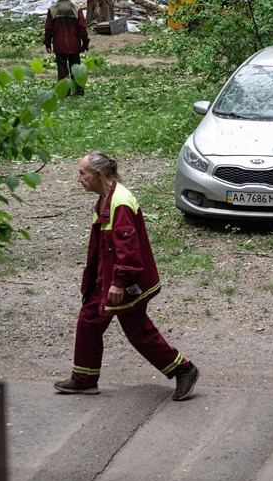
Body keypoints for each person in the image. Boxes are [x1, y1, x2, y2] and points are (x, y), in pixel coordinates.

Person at [54, 151, 199, 400]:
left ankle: (184, 369)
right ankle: (84, 379)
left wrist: (119, 282)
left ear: (98, 174)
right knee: (89, 319)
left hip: (124, 281)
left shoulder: (119, 202)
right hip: (106, 278)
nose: (79, 179)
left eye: (82, 173)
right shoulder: (105, 198)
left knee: (138, 331)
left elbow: (127, 250)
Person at [43, 0, 90, 96]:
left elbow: (48, 28)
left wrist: (47, 43)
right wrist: (85, 42)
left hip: (59, 45)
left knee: (62, 69)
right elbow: (82, 28)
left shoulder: (53, 9)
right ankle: (79, 91)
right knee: (76, 68)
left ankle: (64, 92)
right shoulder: (76, 8)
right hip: (74, 44)